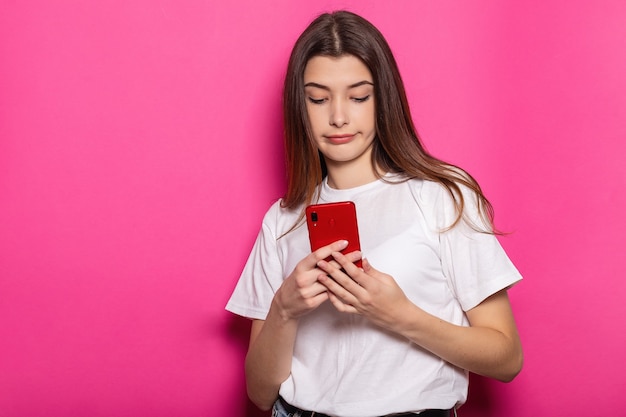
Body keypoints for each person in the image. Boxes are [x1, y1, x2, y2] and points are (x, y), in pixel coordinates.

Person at [226, 10, 523, 417]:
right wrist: (284, 309)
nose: (338, 117)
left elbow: (506, 358)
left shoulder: (442, 196)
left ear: (383, 99)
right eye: (318, 98)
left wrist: (398, 314)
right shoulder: (282, 219)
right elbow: (260, 393)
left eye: (358, 96)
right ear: (300, 106)